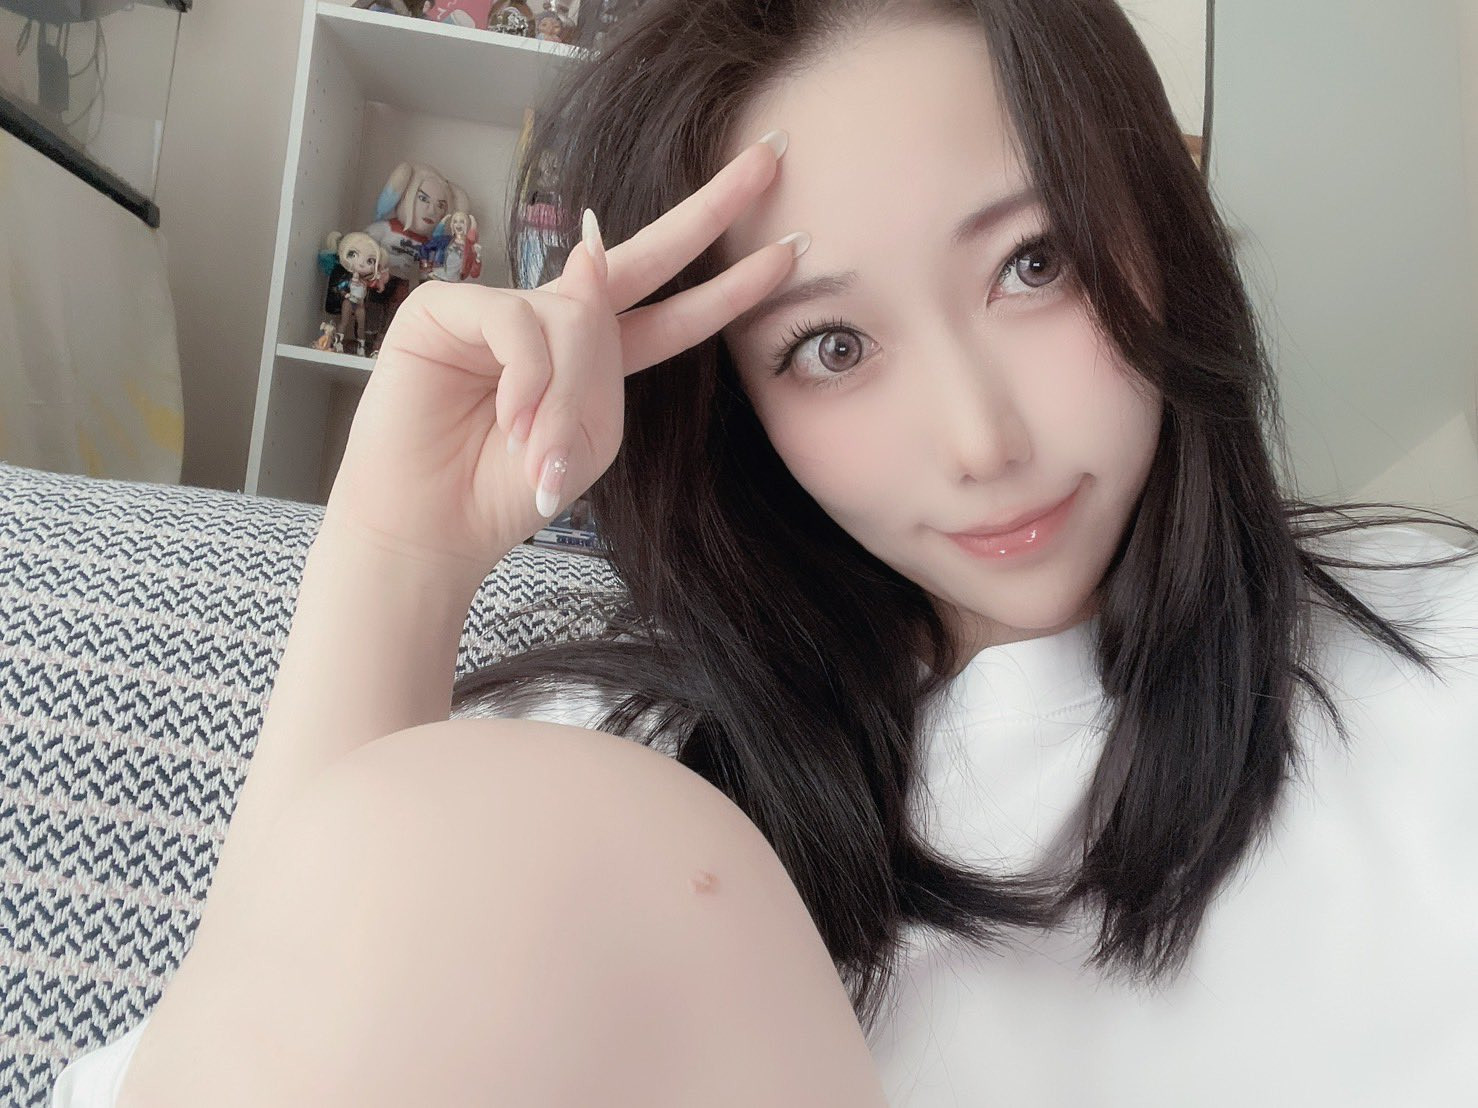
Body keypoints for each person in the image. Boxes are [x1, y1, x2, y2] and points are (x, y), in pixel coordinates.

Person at [54, 1, 1478, 1106]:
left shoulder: (1440, 655)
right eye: (831, 346)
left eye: (1032, 264)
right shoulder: (599, 770)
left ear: (1155, 230)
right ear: (739, 403)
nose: (979, 441)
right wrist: (396, 555)